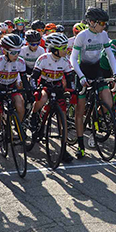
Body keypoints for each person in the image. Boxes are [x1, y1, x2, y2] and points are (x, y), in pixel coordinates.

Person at [70, 7, 116, 158]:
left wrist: (115, 73)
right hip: (82, 70)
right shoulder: (82, 36)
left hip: (97, 69)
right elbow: (73, 59)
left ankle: (95, 118)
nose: (105, 25)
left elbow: (110, 55)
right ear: (92, 22)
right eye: (102, 22)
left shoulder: (103, 34)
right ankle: (80, 145)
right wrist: (81, 76)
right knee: (80, 111)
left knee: (108, 102)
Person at [29, 33, 76, 162]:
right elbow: (34, 77)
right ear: (55, 49)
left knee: (63, 122)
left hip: (58, 87)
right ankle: (34, 115)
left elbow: (70, 78)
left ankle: (64, 149)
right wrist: (34, 88)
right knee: (43, 98)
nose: (66, 50)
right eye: (63, 48)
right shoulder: (43, 58)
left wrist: (73, 90)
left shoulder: (65, 60)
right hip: (45, 85)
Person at [0, 34, 31, 171]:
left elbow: (24, 82)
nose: (16, 55)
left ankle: (17, 125)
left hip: (11, 87)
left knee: (20, 104)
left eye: (19, 51)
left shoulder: (21, 62)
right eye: (13, 52)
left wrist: (29, 94)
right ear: (4, 51)